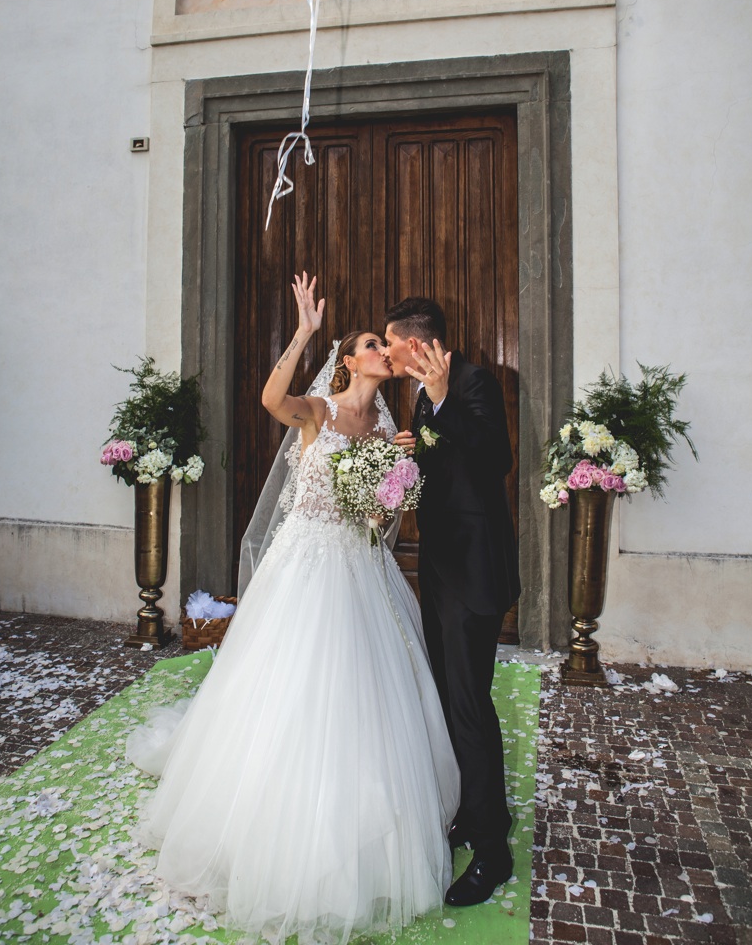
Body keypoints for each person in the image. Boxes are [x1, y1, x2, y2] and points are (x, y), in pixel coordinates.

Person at [127, 274, 459, 945]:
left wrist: (392, 491)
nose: (381, 352)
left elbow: (381, 516)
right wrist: (306, 330)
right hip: (304, 566)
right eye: (371, 344)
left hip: (358, 568)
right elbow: (269, 398)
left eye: (380, 345)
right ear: (348, 361)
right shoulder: (318, 410)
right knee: (287, 690)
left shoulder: (388, 429)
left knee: (363, 698)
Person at [384, 297, 520, 907]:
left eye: (391, 344)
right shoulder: (421, 393)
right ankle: (476, 809)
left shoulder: (473, 382)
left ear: (417, 344)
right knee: (447, 699)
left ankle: (492, 851)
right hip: (439, 570)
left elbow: (497, 460)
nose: (387, 354)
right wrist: (416, 452)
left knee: (468, 708)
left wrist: (443, 405)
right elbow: (450, 465)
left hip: (475, 574)